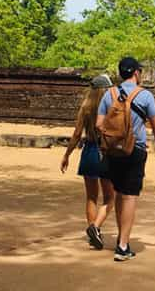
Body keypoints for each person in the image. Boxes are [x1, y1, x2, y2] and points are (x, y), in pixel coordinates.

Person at [96, 57, 155, 262]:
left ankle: (121, 239)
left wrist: (114, 135)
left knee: (118, 193)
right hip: (134, 149)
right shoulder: (145, 95)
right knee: (129, 196)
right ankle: (123, 245)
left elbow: (99, 124)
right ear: (136, 73)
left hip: (112, 151)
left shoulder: (109, 94)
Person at [60, 74, 116, 250]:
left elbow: (77, 134)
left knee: (91, 197)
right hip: (105, 152)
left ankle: (93, 233)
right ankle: (95, 227)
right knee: (109, 197)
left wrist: (67, 155)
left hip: (89, 151)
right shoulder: (111, 106)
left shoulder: (85, 107)